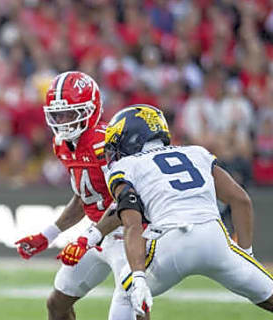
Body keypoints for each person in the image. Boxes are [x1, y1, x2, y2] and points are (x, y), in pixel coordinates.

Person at [105, 104, 273, 319]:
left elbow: (132, 225)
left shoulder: (126, 166)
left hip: (171, 242)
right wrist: (246, 255)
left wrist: (138, 277)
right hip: (215, 239)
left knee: (128, 292)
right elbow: (240, 199)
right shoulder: (195, 152)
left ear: (130, 138)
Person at [14, 71, 132, 320]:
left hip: (129, 234)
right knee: (57, 304)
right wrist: (47, 235)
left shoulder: (107, 144)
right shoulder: (62, 144)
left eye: (71, 113)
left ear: (92, 109)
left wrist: (86, 239)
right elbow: (84, 198)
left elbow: (128, 201)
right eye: (58, 115)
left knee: (130, 306)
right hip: (98, 236)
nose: (63, 121)